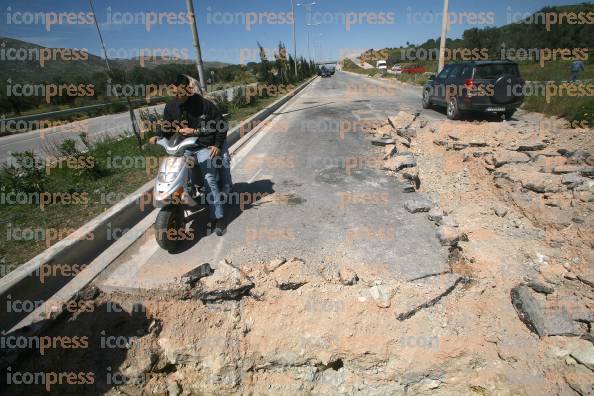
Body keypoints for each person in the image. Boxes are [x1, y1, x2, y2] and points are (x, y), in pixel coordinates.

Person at [150, 74, 231, 236]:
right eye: (175, 93)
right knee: (178, 171)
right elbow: (167, 126)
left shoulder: (204, 104)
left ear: (188, 89)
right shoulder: (171, 107)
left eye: (181, 93)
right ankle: (183, 199)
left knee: (208, 178)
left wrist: (216, 145)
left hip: (204, 145)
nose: (178, 96)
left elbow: (221, 124)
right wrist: (158, 136)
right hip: (184, 146)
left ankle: (219, 217)